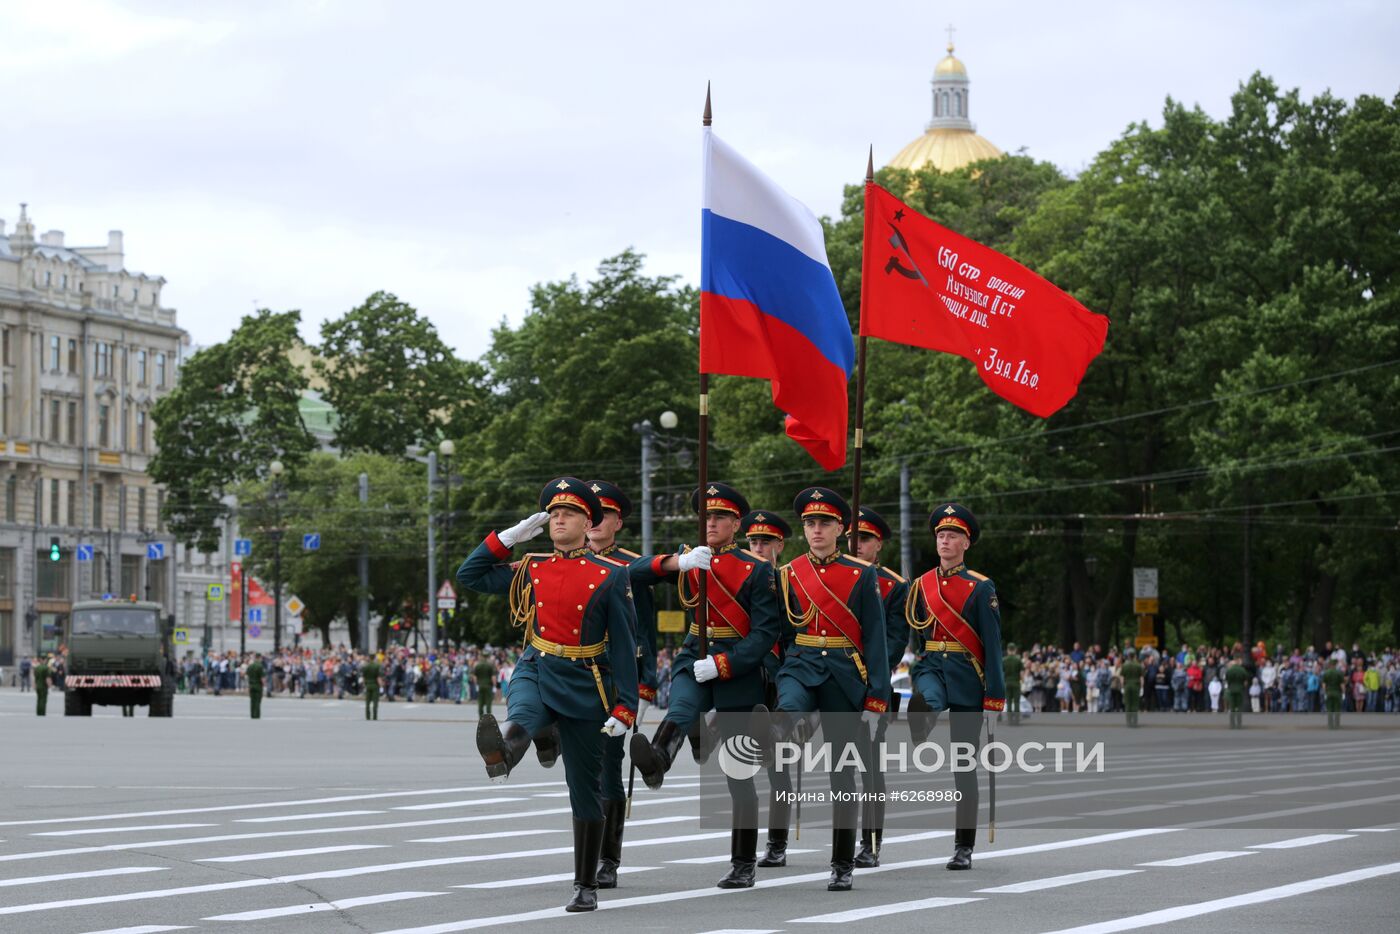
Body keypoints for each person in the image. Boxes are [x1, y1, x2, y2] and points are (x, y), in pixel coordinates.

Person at [458, 477, 638, 912]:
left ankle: (585, 884)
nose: (559, 519)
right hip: (537, 665)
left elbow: (625, 645)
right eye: (554, 513)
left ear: (587, 522)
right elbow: (471, 576)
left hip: (585, 680)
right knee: (522, 711)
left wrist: (625, 706)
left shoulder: (612, 576)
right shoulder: (533, 565)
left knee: (585, 789)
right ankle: (503, 750)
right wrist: (507, 538)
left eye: (570, 513)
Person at [629, 481, 780, 889]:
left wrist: (725, 664)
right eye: (705, 517)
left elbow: (765, 634)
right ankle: (657, 759)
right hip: (695, 651)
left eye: (718, 517)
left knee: (737, 770)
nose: (710, 523)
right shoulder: (690, 559)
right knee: (680, 709)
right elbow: (633, 572)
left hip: (737, 666)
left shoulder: (758, 569)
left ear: (735, 523)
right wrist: (677, 564)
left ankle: (743, 862)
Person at [753, 488, 889, 891]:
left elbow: (876, 638)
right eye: (810, 523)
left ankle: (842, 862)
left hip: (845, 673)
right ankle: (779, 730)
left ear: (840, 529)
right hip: (801, 662)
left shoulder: (861, 574)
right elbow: (776, 630)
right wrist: (773, 671)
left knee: (841, 774)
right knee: (790, 703)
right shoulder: (789, 572)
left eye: (824, 523)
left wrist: (877, 696)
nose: (816, 530)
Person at [904, 502, 1005, 871]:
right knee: (928, 696)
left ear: (966, 543)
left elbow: (993, 646)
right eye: (941, 535)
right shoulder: (921, 586)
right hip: (932, 664)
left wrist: (995, 697)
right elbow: (917, 634)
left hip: (968, 676)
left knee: (964, 766)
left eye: (953, 536)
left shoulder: (980, 587)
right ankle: (924, 717)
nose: (945, 540)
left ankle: (964, 845)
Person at [583, 478, 660, 891]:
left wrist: (645, 686)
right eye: (589, 513)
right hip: (574, 674)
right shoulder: (568, 561)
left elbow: (644, 633)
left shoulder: (629, 567)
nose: (594, 521)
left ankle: (607, 858)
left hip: (615, 676)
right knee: (582, 770)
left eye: (604, 514)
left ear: (618, 523)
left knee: (610, 769)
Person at [848, 505, 908, 870]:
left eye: (865, 539)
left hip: (872, 684)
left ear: (878, 545)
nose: (857, 545)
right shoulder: (829, 574)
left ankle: (870, 842)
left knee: (869, 767)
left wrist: (867, 677)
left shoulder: (894, 586)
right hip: (830, 681)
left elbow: (894, 644)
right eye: (853, 537)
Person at [739, 508, 796, 870]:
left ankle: (776, 841)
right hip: (745, 674)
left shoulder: (791, 583)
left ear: (780, 545)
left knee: (778, 765)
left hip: (778, 678)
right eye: (754, 541)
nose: (759, 547)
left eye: (766, 542)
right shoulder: (740, 579)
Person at [1121, 648, 1143, 728]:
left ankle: (1128, 722)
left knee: (1128, 703)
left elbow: (1122, 678)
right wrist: (1142, 687)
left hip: (1127, 685)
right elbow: (1141, 677)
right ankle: (1134, 722)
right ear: (1134, 656)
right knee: (1135, 704)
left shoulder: (1124, 665)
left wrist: (1122, 686)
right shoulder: (1138, 665)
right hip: (1136, 685)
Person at [1003, 643, 1024, 726]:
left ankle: (1010, 720)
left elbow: (1002, 673)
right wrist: (1022, 681)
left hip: (1007, 683)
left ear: (1008, 650)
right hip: (1016, 683)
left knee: (1008, 702)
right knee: (1016, 702)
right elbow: (1022, 674)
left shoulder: (1004, 660)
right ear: (1015, 650)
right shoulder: (1018, 660)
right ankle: (1017, 720)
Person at [1225, 653, 1248, 729]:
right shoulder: (1242, 670)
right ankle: (1239, 724)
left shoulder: (1230, 670)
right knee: (1239, 707)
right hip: (1240, 690)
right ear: (1238, 660)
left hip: (1231, 689)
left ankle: (1232, 724)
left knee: (1232, 707)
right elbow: (1245, 681)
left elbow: (1227, 679)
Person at [1322, 657, 1345, 729]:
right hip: (1337, 692)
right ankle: (1337, 725)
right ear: (1335, 665)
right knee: (1337, 709)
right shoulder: (1339, 673)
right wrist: (1344, 693)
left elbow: (1324, 684)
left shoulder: (1326, 673)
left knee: (1329, 709)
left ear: (1330, 665)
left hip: (1329, 692)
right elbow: (1342, 684)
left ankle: (1330, 725)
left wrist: (1324, 692)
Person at [473, 653, 498, 717]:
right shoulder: (490, 665)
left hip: (480, 685)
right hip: (488, 686)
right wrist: (495, 686)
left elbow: (474, 677)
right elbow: (493, 677)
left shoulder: (477, 665)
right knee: (488, 702)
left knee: (480, 701)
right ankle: (488, 716)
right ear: (488, 657)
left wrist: (476, 685)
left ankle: (481, 716)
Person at [362, 654, 382, 721]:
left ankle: (367, 716)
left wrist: (364, 684)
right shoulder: (377, 666)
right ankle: (374, 716)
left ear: (369, 658)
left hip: (368, 685)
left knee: (367, 702)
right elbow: (378, 677)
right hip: (375, 685)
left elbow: (363, 677)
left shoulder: (365, 666)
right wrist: (381, 685)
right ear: (374, 658)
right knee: (375, 702)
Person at [246, 655, 264, 719]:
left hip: (251, 685)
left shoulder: (250, 666)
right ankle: (256, 715)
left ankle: (252, 714)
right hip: (258, 685)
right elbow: (262, 678)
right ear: (259, 658)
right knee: (257, 701)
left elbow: (247, 675)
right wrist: (264, 685)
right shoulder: (260, 666)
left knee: (252, 701)